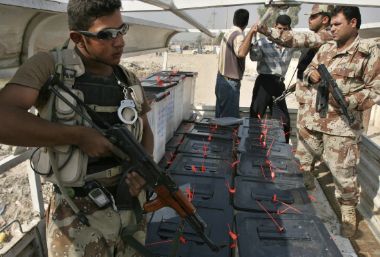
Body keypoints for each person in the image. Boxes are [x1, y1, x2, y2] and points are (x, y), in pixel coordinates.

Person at [0, 0, 154, 256]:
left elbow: (145, 129)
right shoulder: (49, 68)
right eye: (106, 35)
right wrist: (77, 136)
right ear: (77, 37)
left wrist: (143, 168)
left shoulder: (128, 79)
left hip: (130, 208)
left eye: (121, 30)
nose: (119, 42)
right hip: (77, 214)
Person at [304, 6, 380, 237]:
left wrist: (348, 101)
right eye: (330, 25)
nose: (331, 29)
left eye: (337, 24)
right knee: (304, 162)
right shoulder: (326, 48)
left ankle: (348, 214)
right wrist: (312, 75)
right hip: (315, 119)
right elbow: (308, 70)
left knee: (343, 174)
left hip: (343, 127)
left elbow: (376, 90)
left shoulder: (370, 52)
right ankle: (304, 195)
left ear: (353, 23)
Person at [256, 4, 334, 186]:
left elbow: (289, 41)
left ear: (325, 19)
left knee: (307, 138)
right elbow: (309, 68)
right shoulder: (317, 39)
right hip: (299, 95)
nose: (309, 19)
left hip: (315, 101)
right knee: (258, 117)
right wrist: (296, 85)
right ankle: (303, 173)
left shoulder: (323, 36)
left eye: (313, 16)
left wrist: (265, 29)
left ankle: (305, 176)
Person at [249, 14, 295, 143]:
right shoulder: (263, 42)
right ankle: (251, 145)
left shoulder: (291, 44)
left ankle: (282, 150)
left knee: (284, 121)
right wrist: (253, 41)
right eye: (279, 28)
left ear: (289, 30)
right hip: (264, 83)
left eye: (285, 29)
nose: (281, 31)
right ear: (274, 27)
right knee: (255, 117)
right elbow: (254, 57)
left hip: (279, 85)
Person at [215, 9, 257, 118]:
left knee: (220, 116)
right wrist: (251, 32)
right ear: (246, 22)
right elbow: (241, 53)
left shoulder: (228, 33)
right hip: (230, 82)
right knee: (229, 119)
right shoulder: (239, 35)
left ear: (234, 19)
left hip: (221, 79)